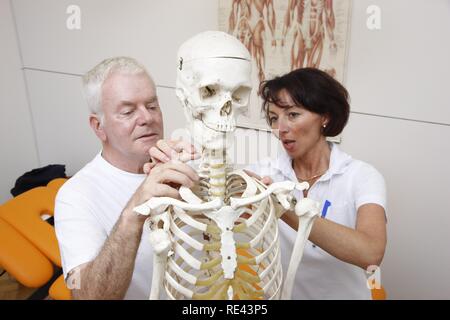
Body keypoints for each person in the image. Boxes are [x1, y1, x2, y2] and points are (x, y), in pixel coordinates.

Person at [151, 67, 387, 300]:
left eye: (292, 115)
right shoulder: (265, 172)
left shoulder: (362, 176)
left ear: (325, 117)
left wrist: (284, 208)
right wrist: (175, 165)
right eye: (274, 118)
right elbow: (215, 201)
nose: (280, 129)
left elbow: (370, 253)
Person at [54, 57, 199, 299]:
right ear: (98, 126)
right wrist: (135, 211)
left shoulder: (187, 162)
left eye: (152, 106)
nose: (147, 118)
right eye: (128, 111)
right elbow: (87, 296)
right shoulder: (75, 197)